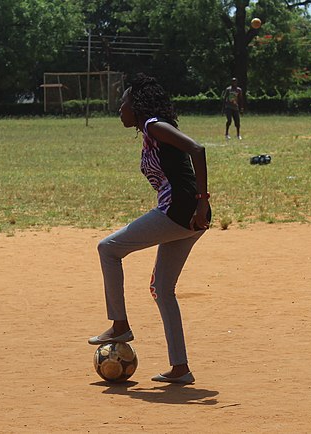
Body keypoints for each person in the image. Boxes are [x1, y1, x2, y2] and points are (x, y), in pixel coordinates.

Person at [88, 73, 211, 384]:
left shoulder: (154, 125)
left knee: (108, 248)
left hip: (178, 212)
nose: (120, 109)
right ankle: (180, 368)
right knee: (162, 290)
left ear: (138, 106)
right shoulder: (150, 130)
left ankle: (119, 325)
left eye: (124, 102)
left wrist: (201, 201)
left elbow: (198, 149)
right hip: (188, 216)